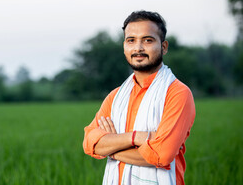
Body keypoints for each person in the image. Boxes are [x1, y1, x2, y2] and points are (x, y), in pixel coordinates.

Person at [83, 10, 195, 185]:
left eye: (148, 40)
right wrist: (134, 138)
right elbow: (90, 143)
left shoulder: (177, 93)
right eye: (131, 40)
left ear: (164, 47)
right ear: (124, 46)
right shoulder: (115, 97)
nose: (138, 48)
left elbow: (161, 155)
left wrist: (111, 149)